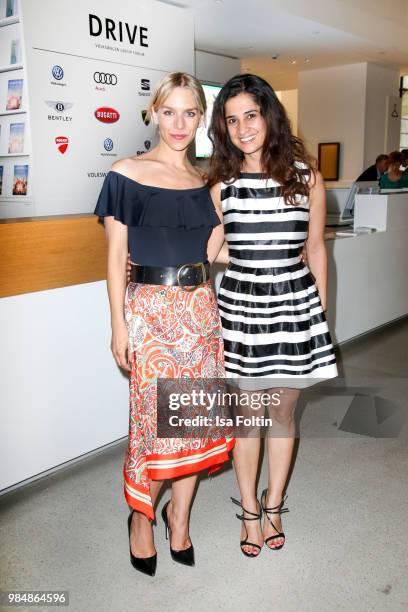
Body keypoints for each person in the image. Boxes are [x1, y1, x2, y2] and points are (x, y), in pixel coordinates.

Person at [94, 72, 234, 576]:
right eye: (170, 111)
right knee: (154, 428)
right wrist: (118, 326)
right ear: (153, 112)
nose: (179, 123)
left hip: (199, 313)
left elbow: (212, 252)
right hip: (150, 315)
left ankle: (180, 519)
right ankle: (140, 517)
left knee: (192, 424)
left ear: (202, 118)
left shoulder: (206, 182)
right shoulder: (125, 173)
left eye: (190, 113)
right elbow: (115, 260)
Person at [207, 74, 338, 557]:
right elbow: (211, 249)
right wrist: (247, 256)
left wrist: (319, 316)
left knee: (282, 411)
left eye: (251, 115)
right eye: (232, 119)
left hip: (294, 306)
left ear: (269, 116)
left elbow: (316, 250)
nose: (243, 128)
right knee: (248, 415)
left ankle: (275, 503)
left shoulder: (306, 176)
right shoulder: (221, 184)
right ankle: (248, 510)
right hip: (242, 308)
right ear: (224, 128)